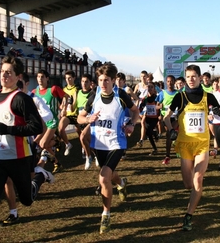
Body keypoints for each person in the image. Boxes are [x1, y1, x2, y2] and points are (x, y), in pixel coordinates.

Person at [0, 56, 53, 243]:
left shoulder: (21, 99)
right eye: (2, 71)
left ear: (17, 76)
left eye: (9, 72)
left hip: (19, 157)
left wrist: (10, 130)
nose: (4, 75)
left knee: (27, 200)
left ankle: (40, 176)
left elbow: (36, 127)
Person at [77, 62, 139, 234]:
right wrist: (88, 119)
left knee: (103, 177)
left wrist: (132, 125)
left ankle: (106, 215)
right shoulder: (94, 96)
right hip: (99, 144)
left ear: (113, 81)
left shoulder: (121, 96)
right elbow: (79, 118)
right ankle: (121, 182)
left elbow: (135, 112)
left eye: (107, 81)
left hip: (116, 143)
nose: (103, 84)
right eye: (100, 80)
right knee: (109, 174)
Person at [163, 64, 220, 231]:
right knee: (188, 184)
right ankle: (194, 195)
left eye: (194, 76)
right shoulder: (180, 97)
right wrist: (171, 129)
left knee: (197, 178)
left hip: (201, 144)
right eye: (188, 77)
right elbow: (166, 118)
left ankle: (188, 215)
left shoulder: (209, 97)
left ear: (200, 78)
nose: (191, 80)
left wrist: (219, 113)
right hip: (184, 144)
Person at [2, 72, 54, 226]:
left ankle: (41, 173)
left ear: (26, 85)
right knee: (7, 179)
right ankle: (13, 212)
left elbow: (49, 121)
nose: (16, 88)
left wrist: (38, 140)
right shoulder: (4, 99)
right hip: (7, 147)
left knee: (29, 185)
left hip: (26, 147)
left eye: (20, 85)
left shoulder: (34, 100)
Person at [33, 69, 69, 173]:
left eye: (42, 77)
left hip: (52, 121)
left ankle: (56, 141)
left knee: (42, 144)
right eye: (38, 77)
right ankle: (57, 162)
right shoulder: (34, 92)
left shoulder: (53, 89)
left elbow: (66, 97)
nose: (40, 79)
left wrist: (64, 108)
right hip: (41, 124)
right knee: (42, 145)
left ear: (47, 78)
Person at [58, 70, 79, 157]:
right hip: (68, 114)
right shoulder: (64, 89)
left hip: (76, 114)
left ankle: (84, 149)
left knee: (80, 133)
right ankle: (67, 144)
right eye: (66, 78)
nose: (68, 80)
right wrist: (63, 108)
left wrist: (71, 105)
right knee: (60, 129)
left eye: (70, 78)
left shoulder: (76, 89)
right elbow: (64, 101)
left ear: (74, 78)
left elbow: (75, 102)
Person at [139, 82, 160, 156]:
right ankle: (155, 148)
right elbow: (141, 107)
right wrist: (141, 111)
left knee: (149, 132)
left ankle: (155, 147)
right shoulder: (145, 98)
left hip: (155, 118)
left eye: (151, 87)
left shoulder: (157, 97)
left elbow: (160, 106)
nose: (150, 89)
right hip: (147, 117)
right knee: (149, 133)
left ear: (154, 89)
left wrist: (159, 112)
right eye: (149, 87)